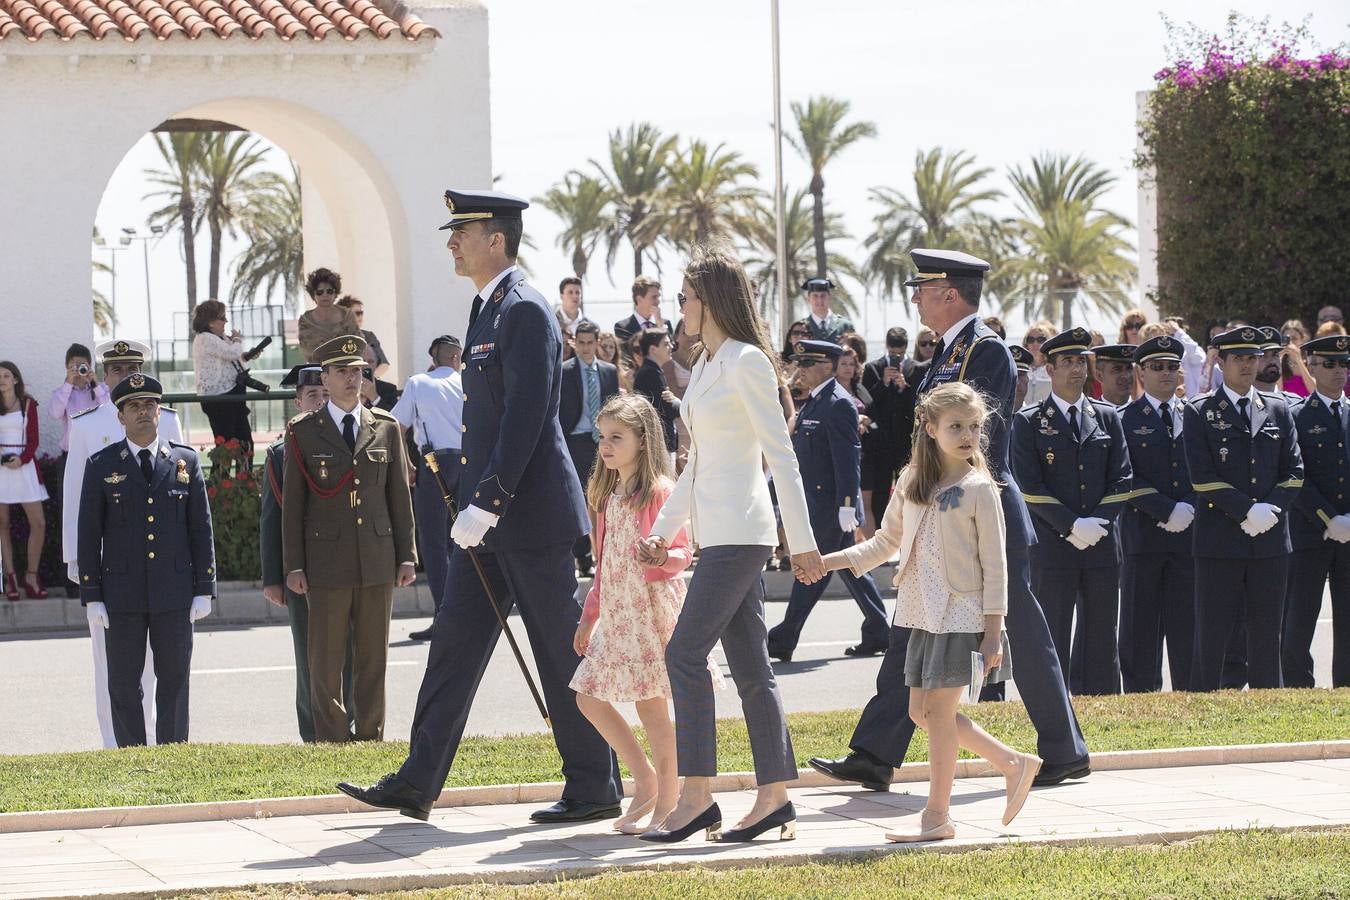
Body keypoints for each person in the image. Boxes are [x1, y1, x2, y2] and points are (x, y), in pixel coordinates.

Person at [339, 189, 622, 824]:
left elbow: (528, 416)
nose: (451, 242)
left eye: (461, 231)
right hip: (485, 518)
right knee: (454, 647)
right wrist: (477, 504)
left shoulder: (525, 310)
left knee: (558, 650)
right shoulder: (487, 308)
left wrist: (490, 500)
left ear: (495, 239)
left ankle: (594, 783)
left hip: (528, 514)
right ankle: (417, 781)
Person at [808, 248, 1090, 794]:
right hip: (939, 509)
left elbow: (977, 441)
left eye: (922, 287)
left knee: (1024, 633)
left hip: (978, 512)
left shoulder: (984, 352)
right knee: (910, 626)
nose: (915, 296)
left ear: (949, 293)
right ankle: (874, 753)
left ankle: (1063, 750)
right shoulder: (951, 350)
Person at [636, 243, 823, 845]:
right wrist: (661, 534)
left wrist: (804, 542)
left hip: (743, 532)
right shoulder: (709, 366)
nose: (679, 309)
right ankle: (774, 798)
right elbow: (695, 466)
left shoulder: (748, 363)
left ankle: (697, 796)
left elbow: (781, 456)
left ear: (709, 300)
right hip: (716, 535)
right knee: (751, 670)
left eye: (685, 298)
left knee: (684, 655)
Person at [819, 382, 1039, 842]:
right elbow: (886, 543)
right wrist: (827, 562)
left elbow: (996, 565)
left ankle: (936, 817)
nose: (966, 435)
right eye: (956, 426)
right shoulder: (912, 481)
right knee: (920, 711)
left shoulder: (980, 488)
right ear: (931, 427)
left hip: (962, 613)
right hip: (919, 612)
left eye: (974, 427)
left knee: (939, 713)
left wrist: (994, 631)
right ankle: (1012, 762)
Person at [571, 394, 724, 835]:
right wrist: (589, 616)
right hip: (618, 614)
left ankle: (670, 801)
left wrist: (659, 559)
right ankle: (646, 781)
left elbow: (681, 551)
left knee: (652, 708)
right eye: (602, 436)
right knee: (588, 696)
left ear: (642, 440)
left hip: (651, 613)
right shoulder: (607, 494)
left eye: (616, 437)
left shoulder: (658, 490)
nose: (605, 445)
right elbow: (604, 566)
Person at [283, 334, 417, 742]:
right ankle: (332, 737)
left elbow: (399, 496)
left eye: (358, 371)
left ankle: (370, 734)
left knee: (372, 656)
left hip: (376, 556)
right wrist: (294, 565)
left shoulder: (386, 427)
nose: (351, 379)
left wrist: (407, 555)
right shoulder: (304, 432)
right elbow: (293, 505)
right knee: (325, 659)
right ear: (324, 377)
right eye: (341, 371)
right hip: (325, 562)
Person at [77, 373, 214, 746]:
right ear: (119, 416)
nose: (143, 412)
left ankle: (172, 756)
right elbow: (88, 534)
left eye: (149, 405)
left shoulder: (184, 461)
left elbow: (200, 528)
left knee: (174, 679)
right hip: (121, 594)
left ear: (159, 412)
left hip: (174, 590)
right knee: (122, 683)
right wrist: (92, 594)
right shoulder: (103, 464)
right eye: (133, 407)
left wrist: (205, 588)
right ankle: (131, 758)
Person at [63, 339, 182, 749]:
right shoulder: (86, 424)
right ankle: (115, 742)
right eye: (115, 369)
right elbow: (75, 497)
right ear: (104, 373)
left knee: (163, 663)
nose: (123, 376)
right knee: (112, 663)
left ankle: (155, 738)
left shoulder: (165, 419)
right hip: (108, 564)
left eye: (131, 367)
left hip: (161, 566)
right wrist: (76, 560)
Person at [1012, 329, 1131, 695]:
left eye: (1081, 361)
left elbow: (1123, 477)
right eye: (1067, 362)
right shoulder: (1029, 421)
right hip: (1053, 547)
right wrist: (1071, 525)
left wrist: (1098, 523)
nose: (1077, 369)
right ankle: (1054, 707)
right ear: (1049, 369)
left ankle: (1101, 704)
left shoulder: (1107, 417)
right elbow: (1029, 487)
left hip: (1101, 544)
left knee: (1100, 634)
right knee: (1053, 635)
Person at [1185, 326, 1303, 691]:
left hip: (1269, 539)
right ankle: (1204, 701)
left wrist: (1269, 509)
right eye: (1238, 358)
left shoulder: (1278, 409)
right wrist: (1246, 511)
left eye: (1253, 357)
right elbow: (1201, 476)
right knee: (1213, 631)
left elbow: (1295, 472)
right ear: (1221, 361)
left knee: (1268, 630)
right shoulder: (1200, 410)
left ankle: (1269, 701)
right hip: (1220, 540)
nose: (1247, 365)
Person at [766, 340, 889, 661]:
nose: (800, 371)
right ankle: (879, 628)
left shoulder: (838, 404)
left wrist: (848, 505)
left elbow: (848, 458)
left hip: (832, 506)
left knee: (813, 568)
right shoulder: (817, 401)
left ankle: (785, 636)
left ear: (825, 367)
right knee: (851, 568)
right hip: (818, 504)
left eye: (806, 365)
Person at [260, 365, 352, 741]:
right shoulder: (283, 453)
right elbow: (273, 517)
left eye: (326, 396)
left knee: (352, 651)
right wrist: (273, 577)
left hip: (348, 565)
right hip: (304, 572)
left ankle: (350, 726)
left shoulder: (352, 439)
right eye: (313, 397)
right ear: (297, 403)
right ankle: (314, 731)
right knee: (309, 656)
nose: (321, 403)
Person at [1117, 336, 1196, 692]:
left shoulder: (1196, 415)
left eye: (1171, 367)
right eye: (1156, 367)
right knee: (1140, 629)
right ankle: (1140, 698)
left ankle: (1191, 696)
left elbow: (1209, 468)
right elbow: (1123, 474)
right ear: (1140, 372)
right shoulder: (1124, 419)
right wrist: (1165, 509)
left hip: (1189, 539)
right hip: (1143, 539)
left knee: (1188, 626)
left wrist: (1190, 505)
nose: (1165, 374)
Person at [1285, 334, 1350, 688]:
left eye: (1344, 364)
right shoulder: (1296, 416)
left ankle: (1346, 687)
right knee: (1299, 618)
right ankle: (1298, 688)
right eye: (1330, 364)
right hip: (1310, 533)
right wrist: (1329, 518)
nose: (1339, 371)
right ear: (1310, 366)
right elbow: (1296, 477)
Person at [392, 336, 465, 642]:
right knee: (461, 541)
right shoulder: (467, 383)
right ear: (457, 357)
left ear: (433, 358)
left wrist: (406, 463)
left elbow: (397, 425)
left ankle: (445, 617)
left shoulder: (419, 382)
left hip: (433, 463)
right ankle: (463, 614)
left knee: (434, 544)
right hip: (466, 462)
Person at [561, 320, 621, 577]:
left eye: (590, 343)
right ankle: (583, 556)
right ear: (575, 343)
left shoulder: (608, 371)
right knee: (579, 498)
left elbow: (615, 406)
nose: (586, 348)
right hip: (576, 439)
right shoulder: (564, 370)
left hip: (603, 441)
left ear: (597, 343)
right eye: (581, 343)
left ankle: (606, 552)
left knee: (605, 497)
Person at [861, 327, 921, 529]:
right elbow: (866, 403)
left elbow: (917, 404)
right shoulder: (873, 369)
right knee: (880, 491)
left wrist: (905, 388)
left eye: (901, 353)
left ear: (906, 348)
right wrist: (883, 383)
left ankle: (908, 532)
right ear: (887, 347)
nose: (897, 357)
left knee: (908, 490)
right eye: (893, 353)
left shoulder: (914, 368)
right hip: (879, 442)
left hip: (905, 441)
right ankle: (880, 534)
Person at [0, 361, 49, 600]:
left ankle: (31, 575)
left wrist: (21, 459)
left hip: (24, 466)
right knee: (2, 524)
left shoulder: (28, 404)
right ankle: (10, 578)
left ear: (15, 379)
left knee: (38, 523)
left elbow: (33, 440)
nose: (2, 380)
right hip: (1, 469)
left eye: (6, 375)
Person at [191, 299, 262, 454]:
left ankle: (245, 478)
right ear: (210, 322)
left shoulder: (219, 338)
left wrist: (249, 355)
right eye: (222, 318)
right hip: (219, 398)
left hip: (232, 393)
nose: (226, 321)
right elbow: (232, 353)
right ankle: (221, 478)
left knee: (245, 444)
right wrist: (237, 339)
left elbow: (235, 357)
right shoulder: (205, 338)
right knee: (225, 447)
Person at [49, 343, 108, 455]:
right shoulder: (61, 393)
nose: (79, 369)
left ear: (90, 366)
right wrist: (68, 384)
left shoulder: (102, 389)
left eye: (83, 366)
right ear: (67, 366)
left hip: (99, 452)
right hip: (71, 453)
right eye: (74, 366)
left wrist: (95, 385)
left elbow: (109, 409)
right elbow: (55, 414)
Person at [632, 328, 680, 461]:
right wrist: (681, 404)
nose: (671, 346)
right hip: (658, 445)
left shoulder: (651, 370)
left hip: (658, 444)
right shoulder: (651, 373)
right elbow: (667, 409)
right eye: (665, 344)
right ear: (653, 349)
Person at [297, 268, 360, 363]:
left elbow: (358, 343)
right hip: (318, 370)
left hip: (346, 367)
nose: (325, 295)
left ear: (335, 294)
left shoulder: (347, 315)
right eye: (320, 292)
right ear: (313, 294)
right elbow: (308, 352)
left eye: (329, 291)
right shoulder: (305, 321)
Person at [336, 296, 390, 379]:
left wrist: (370, 377)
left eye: (361, 313)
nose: (360, 317)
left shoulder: (368, 336)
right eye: (357, 313)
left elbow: (384, 363)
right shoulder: (334, 338)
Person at [614, 276, 672, 343]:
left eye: (658, 297)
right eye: (654, 297)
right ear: (639, 299)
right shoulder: (622, 327)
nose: (658, 301)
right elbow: (628, 352)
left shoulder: (665, 324)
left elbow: (672, 350)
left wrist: (660, 326)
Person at [800, 277, 854, 343]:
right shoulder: (801, 327)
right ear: (808, 299)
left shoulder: (845, 326)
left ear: (829, 297)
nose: (819, 300)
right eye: (815, 296)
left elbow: (856, 351)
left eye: (823, 296)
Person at [1022, 321, 1055, 405]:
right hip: (1023, 416)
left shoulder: (1055, 368)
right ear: (1026, 344)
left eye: (1040, 340)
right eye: (1031, 340)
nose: (1035, 343)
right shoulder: (1020, 368)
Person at [1280, 319, 1313, 397]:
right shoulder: (1279, 364)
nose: (1290, 342)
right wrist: (1279, 359)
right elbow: (1277, 392)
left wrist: (1298, 359)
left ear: (1302, 340)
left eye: (1294, 338)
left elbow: (1314, 391)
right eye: (1287, 339)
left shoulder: (1312, 362)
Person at [555, 276, 585, 352]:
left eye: (577, 292)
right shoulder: (551, 323)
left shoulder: (590, 325)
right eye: (570, 292)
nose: (575, 296)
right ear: (561, 296)